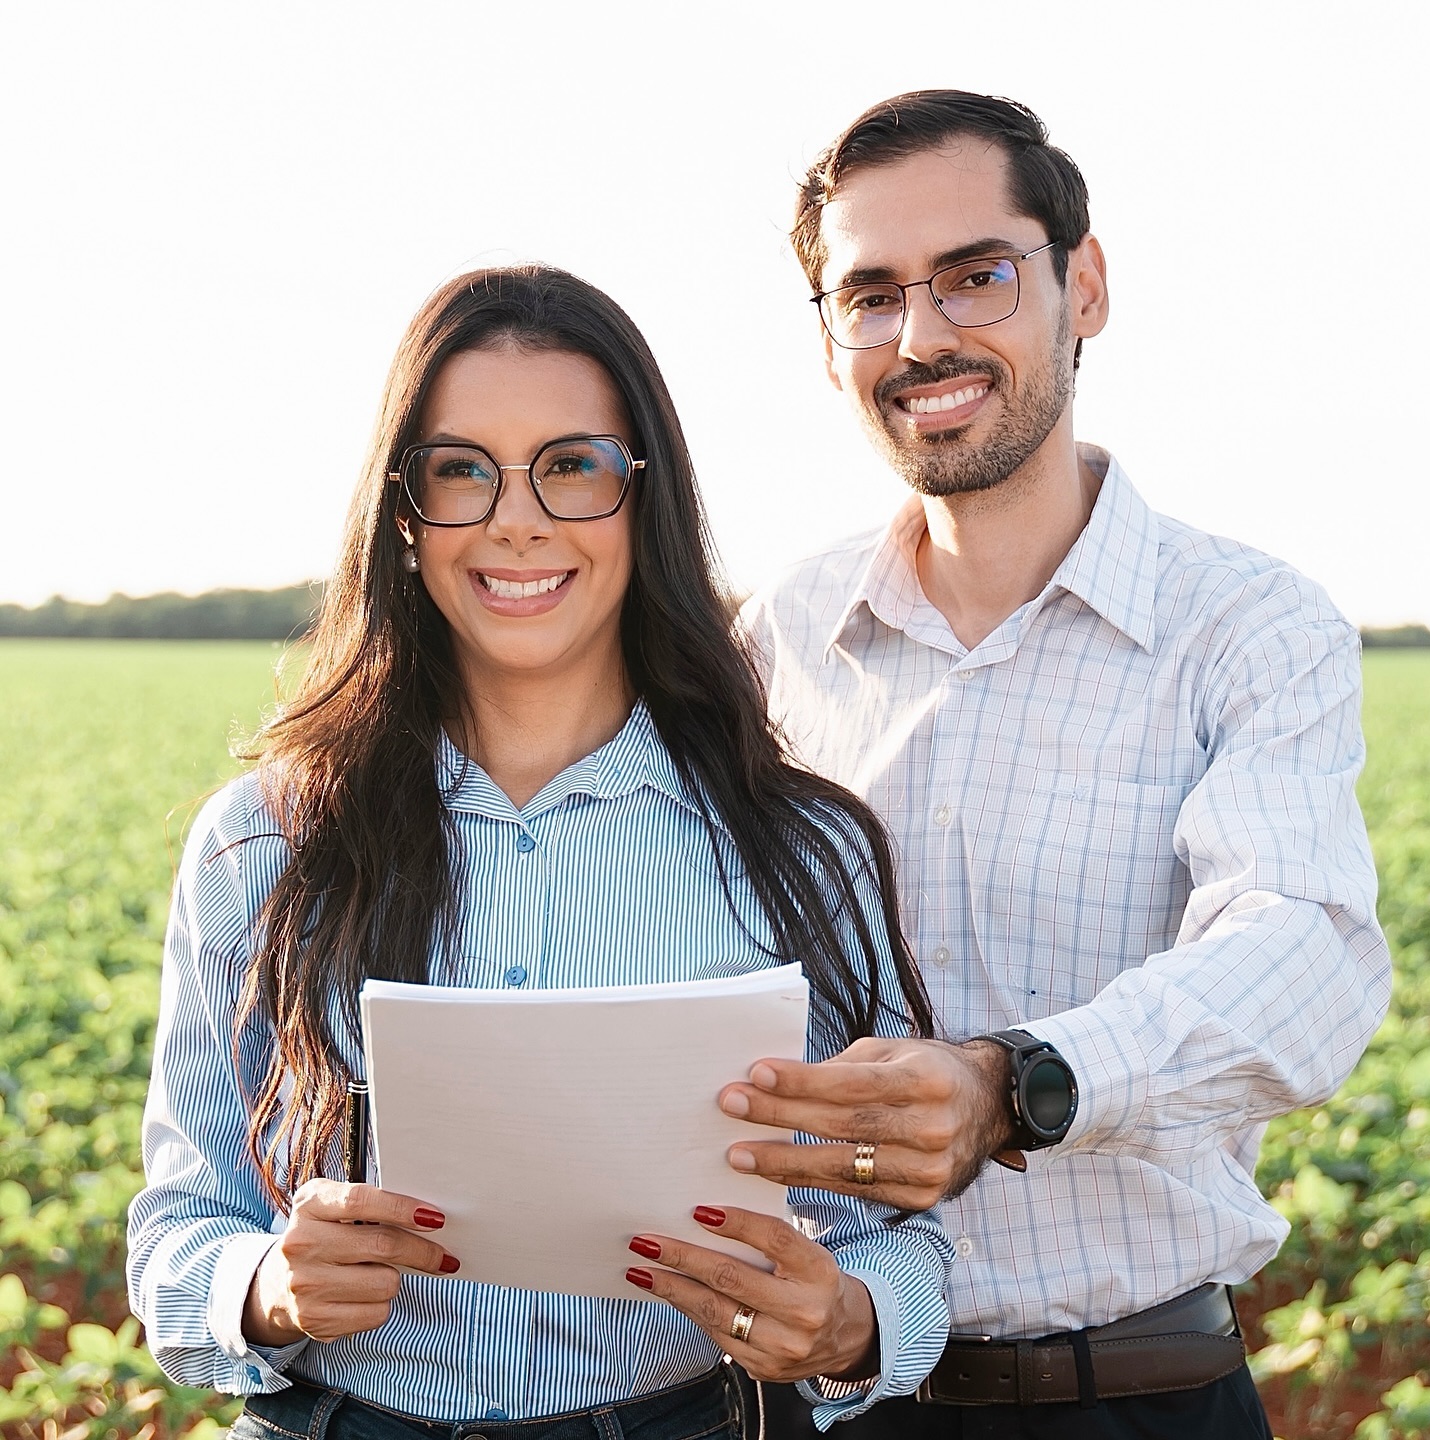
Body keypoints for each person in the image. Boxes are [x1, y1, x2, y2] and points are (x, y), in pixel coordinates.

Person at [126, 265, 955, 1439]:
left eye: (573, 466)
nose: (518, 520)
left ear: (642, 502)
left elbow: (896, 1228)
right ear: (403, 517)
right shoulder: (261, 841)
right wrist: (262, 1288)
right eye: (462, 471)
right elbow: (178, 1226)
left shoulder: (801, 850)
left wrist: (851, 1322)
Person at [725, 91, 1391, 1438]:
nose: (923, 338)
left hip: (1136, 1394)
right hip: (833, 1397)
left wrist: (1015, 1084)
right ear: (829, 338)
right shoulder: (779, 639)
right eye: (870, 295)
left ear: (1082, 284)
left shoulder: (1247, 626)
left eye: (978, 275)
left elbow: (1304, 955)